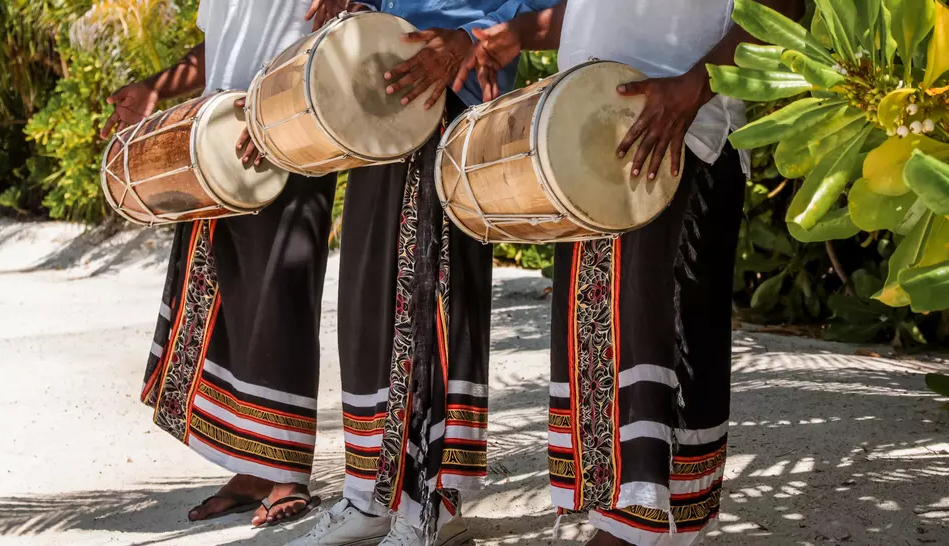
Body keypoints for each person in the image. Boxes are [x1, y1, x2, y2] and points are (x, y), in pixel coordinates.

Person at [460, 1, 804, 544]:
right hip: (589, 130)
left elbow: (783, 7)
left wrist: (695, 85)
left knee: (650, 334)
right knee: (599, 336)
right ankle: (623, 521)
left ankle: (639, 528)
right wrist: (522, 32)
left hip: (680, 133)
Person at [286, 1, 557, 545]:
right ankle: (368, 495)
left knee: (433, 303)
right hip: (382, 94)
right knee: (367, 305)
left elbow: (543, 10)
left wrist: (471, 36)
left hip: (451, 98)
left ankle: (432, 504)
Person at [102, 0, 349, 528]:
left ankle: (285, 470)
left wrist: (278, 110)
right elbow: (223, 46)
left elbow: (337, 32)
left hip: (289, 129)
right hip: (219, 134)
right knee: (233, 299)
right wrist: (157, 88)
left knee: (280, 298)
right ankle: (253, 466)